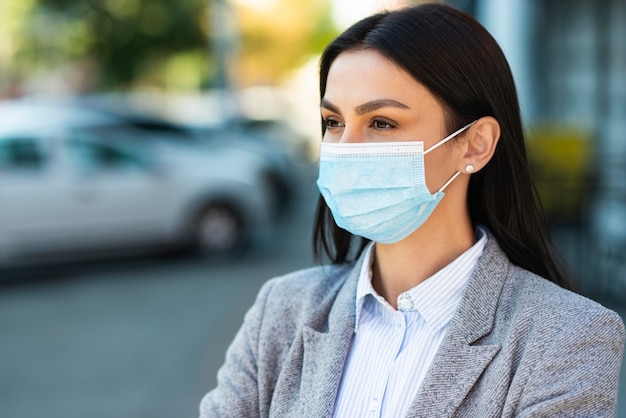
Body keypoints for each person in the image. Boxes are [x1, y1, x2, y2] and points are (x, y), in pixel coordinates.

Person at [199, 3, 625, 417]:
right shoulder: (281, 310)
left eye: (381, 123)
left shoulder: (568, 336)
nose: (345, 150)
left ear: (475, 143)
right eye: (333, 122)